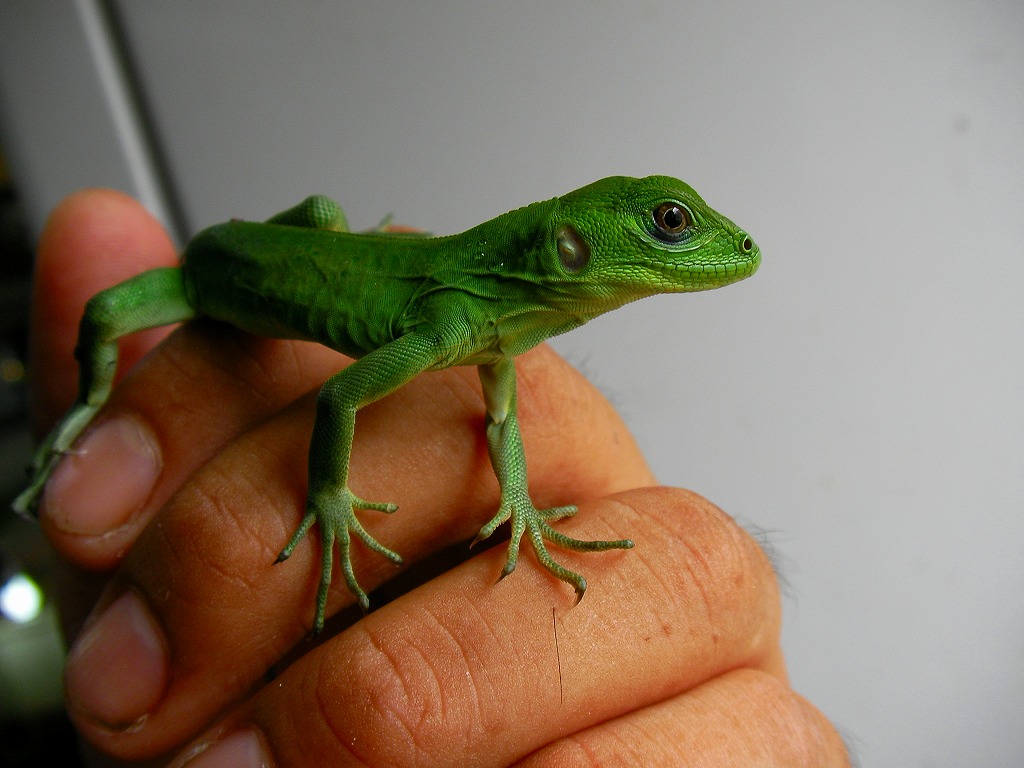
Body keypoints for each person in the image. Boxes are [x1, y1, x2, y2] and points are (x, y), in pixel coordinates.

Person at [27, 189, 849, 766]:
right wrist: (330, 496)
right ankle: (85, 403)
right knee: (106, 311)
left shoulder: (498, 333)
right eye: (669, 224)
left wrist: (519, 503)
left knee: (323, 216)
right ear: (570, 245)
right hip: (212, 275)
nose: (721, 244)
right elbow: (343, 393)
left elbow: (500, 420)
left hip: (299, 253)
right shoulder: (452, 319)